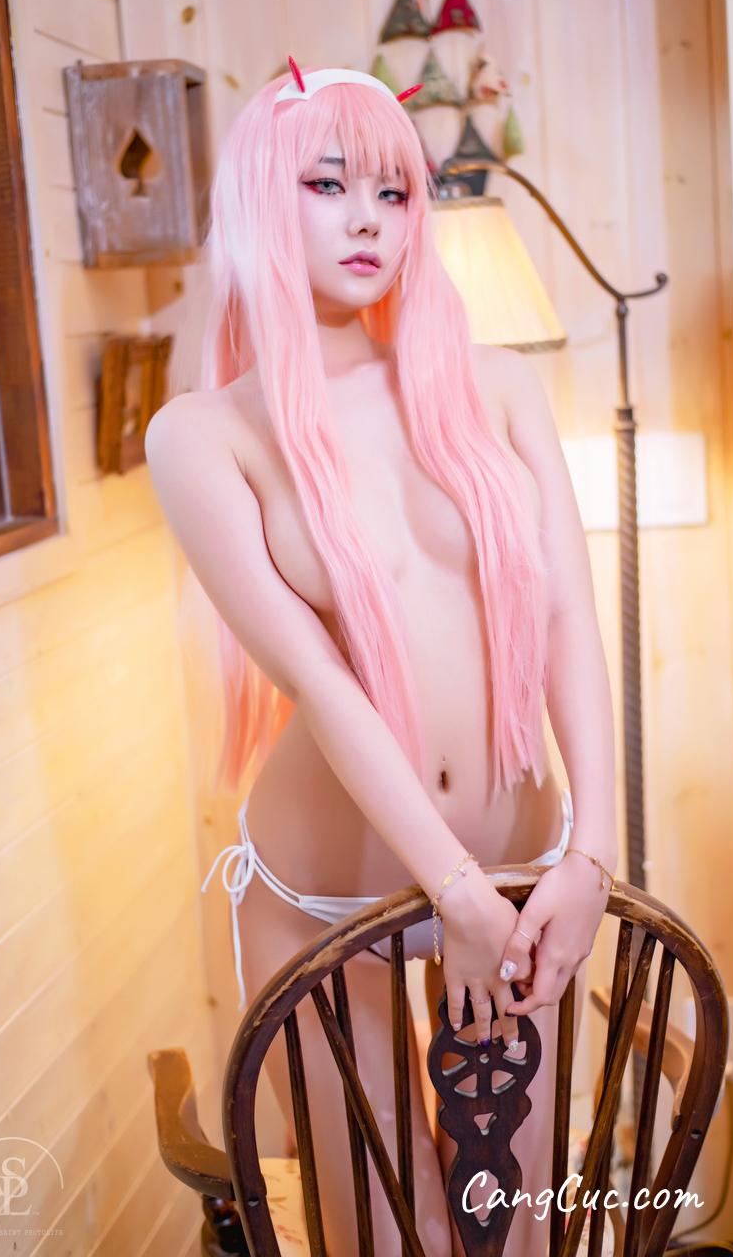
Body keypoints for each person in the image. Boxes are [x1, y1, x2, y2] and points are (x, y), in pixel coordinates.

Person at [146, 64, 617, 1257]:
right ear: (263, 197)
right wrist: (450, 887)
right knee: (390, 1234)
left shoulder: (495, 388)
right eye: (327, 184)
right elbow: (316, 679)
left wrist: (594, 854)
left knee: (511, 1232)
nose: (366, 217)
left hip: (519, 876)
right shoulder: (203, 435)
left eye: (394, 192)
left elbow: (567, 616)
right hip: (327, 895)